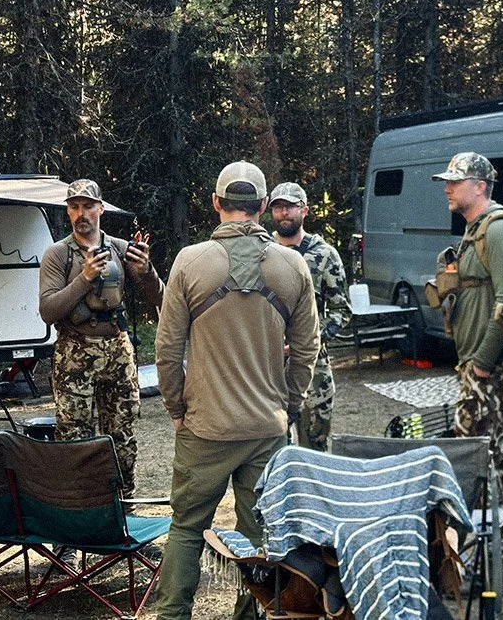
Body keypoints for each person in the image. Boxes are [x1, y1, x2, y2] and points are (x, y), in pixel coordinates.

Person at [155, 161, 320, 620]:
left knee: (187, 529)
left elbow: (167, 350)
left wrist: (176, 408)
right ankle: (253, 616)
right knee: (260, 536)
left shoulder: (190, 261)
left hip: (205, 425)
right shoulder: (292, 265)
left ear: (216, 203)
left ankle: (172, 616)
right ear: (263, 207)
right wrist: (289, 404)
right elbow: (307, 349)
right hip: (266, 428)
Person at [431, 152, 503, 587]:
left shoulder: (501, 231)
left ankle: (495, 566)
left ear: (481, 186)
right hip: (475, 367)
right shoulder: (474, 232)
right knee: (498, 457)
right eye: (447, 181)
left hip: (489, 371)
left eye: (456, 181)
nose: (448, 187)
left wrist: (482, 367)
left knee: (481, 464)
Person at [38, 179, 163, 500]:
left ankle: (123, 522)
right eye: (74, 207)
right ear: (67, 211)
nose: (82, 214)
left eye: (88, 206)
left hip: (118, 353)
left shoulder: (121, 249)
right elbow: (48, 311)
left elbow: (158, 297)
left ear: (101, 209)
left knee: (121, 438)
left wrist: (146, 271)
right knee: (74, 442)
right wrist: (85, 277)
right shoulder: (58, 254)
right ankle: (74, 530)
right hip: (74, 354)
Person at [268, 181, 350, 451]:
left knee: (315, 445)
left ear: (304, 211)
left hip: (314, 368)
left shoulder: (324, 255)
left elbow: (341, 310)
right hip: (268, 367)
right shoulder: (263, 251)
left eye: (290, 207)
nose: (283, 214)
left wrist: (307, 341)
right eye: (278, 207)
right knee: (273, 448)